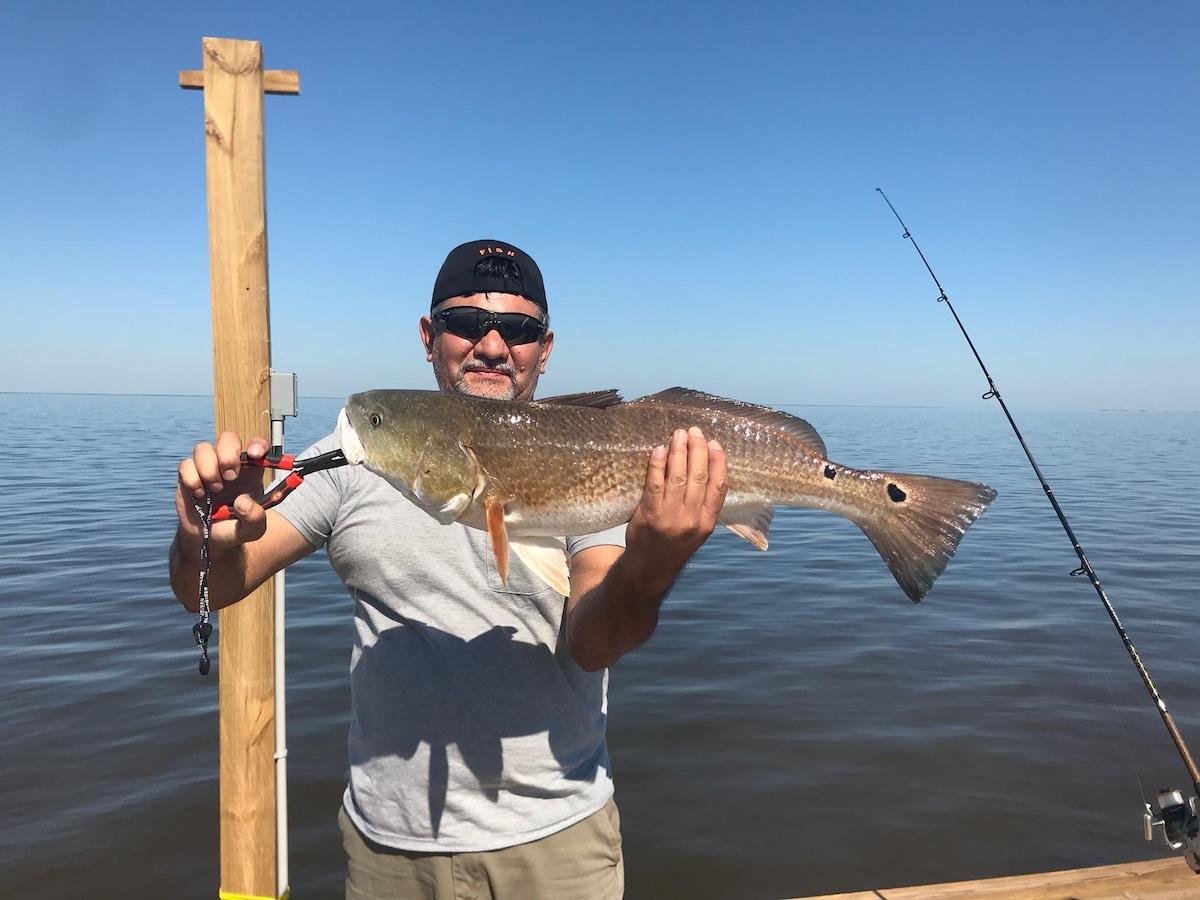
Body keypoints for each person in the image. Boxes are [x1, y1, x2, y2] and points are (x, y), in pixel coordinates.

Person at [169, 240, 729, 900]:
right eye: (466, 323)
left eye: (517, 331)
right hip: (391, 849)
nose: (492, 345)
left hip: (559, 839)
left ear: (543, 350)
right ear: (430, 336)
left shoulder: (591, 456)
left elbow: (593, 642)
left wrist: (651, 567)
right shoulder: (355, 453)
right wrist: (198, 536)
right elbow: (211, 587)